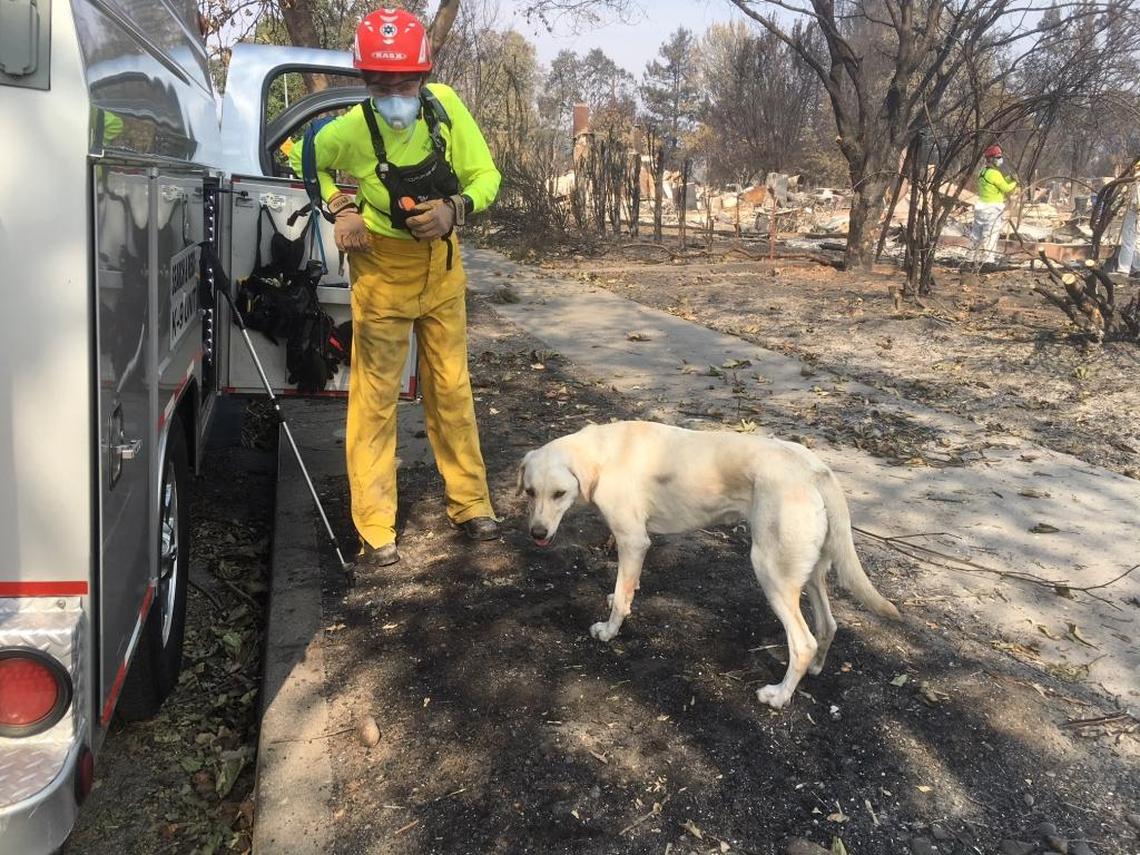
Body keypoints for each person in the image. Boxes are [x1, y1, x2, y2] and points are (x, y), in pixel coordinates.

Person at [290, 7, 501, 569]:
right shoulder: (351, 129)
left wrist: (455, 209)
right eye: (379, 82)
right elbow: (304, 154)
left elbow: (488, 178)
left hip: (442, 270)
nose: (392, 93)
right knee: (375, 403)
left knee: (451, 388)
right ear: (364, 80)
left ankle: (471, 503)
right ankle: (375, 527)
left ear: (424, 76)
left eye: (403, 81)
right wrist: (341, 206)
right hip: (382, 274)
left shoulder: (448, 110)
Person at [970, 144, 1018, 271]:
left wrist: (1009, 178)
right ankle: (988, 262)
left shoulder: (983, 171)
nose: (1000, 159)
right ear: (991, 159)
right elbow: (1006, 188)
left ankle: (972, 259)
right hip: (992, 209)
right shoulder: (995, 174)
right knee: (990, 235)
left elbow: (998, 182)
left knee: (977, 236)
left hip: (981, 208)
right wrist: (1015, 182)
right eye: (998, 157)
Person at [1115, 160, 1140, 277]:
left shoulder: (1137, 182)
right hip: (1135, 211)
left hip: (1134, 212)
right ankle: (1136, 267)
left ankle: (1124, 270)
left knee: (1128, 240)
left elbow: (1137, 202)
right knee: (1136, 241)